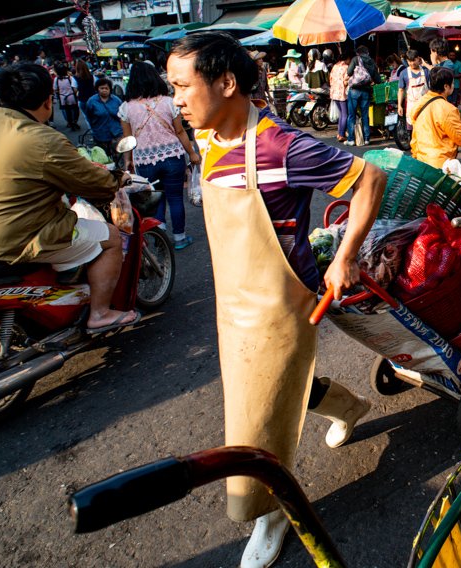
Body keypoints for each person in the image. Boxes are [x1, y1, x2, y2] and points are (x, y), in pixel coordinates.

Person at [167, 31, 385, 568]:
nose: (175, 100)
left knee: (256, 412)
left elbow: (370, 178)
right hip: (232, 302)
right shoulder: (208, 135)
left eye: (181, 87)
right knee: (284, 388)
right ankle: (352, 407)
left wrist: (346, 256)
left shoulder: (279, 145)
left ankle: (267, 514)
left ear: (226, 83)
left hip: (281, 304)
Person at [0, 63, 138, 334]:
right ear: (49, 100)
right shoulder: (43, 139)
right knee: (110, 237)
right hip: (16, 240)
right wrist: (117, 179)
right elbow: (94, 184)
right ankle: (100, 313)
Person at [118, 61, 200, 251]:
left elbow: (128, 138)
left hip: (144, 160)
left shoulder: (126, 108)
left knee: (155, 199)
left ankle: (161, 237)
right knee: (175, 198)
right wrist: (192, 153)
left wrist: (128, 161)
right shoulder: (168, 102)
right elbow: (180, 132)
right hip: (173, 156)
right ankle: (180, 238)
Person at [410, 67, 461, 171]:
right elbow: (460, 136)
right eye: (452, 83)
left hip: (421, 161)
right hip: (439, 164)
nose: (453, 85)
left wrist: (415, 155)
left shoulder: (420, 103)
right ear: (446, 86)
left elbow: (415, 135)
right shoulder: (447, 109)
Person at [346, 45, 380, 146]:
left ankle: (351, 139)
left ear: (358, 53)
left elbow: (348, 72)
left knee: (352, 115)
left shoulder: (356, 59)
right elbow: (378, 80)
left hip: (354, 91)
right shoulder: (372, 61)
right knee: (365, 115)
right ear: (367, 52)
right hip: (366, 91)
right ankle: (366, 139)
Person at [83, 77, 123, 160]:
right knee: (104, 157)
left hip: (116, 132)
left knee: (118, 156)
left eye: (106, 88)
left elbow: (122, 115)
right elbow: (89, 116)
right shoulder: (92, 101)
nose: (104, 90)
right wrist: (93, 128)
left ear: (110, 89)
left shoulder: (116, 100)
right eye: (102, 88)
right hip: (100, 132)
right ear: (97, 89)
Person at [397, 49, 430, 127]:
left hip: (425, 106)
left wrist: (425, 64)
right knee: (413, 131)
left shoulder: (426, 71)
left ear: (418, 58)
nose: (412, 63)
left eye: (414, 60)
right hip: (412, 107)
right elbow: (401, 90)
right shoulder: (404, 73)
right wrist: (399, 106)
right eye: (409, 61)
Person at [330, 52, 351, 143]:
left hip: (334, 93)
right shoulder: (346, 67)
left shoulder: (335, 66)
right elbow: (346, 81)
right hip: (342, 93)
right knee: (345, 114)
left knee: (341, 114)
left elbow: (330, 79)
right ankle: (341, 134)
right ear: (347, 59)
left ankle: (339, 133)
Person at [53, 64, 80, 130]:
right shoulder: (70, 78)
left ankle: (69, 122)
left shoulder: (56, 79)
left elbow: (55, 88)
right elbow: (75, 88)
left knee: (66, 111)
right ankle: (75, 121)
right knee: (75, 110)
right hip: (71, 97)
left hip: (62, 98)